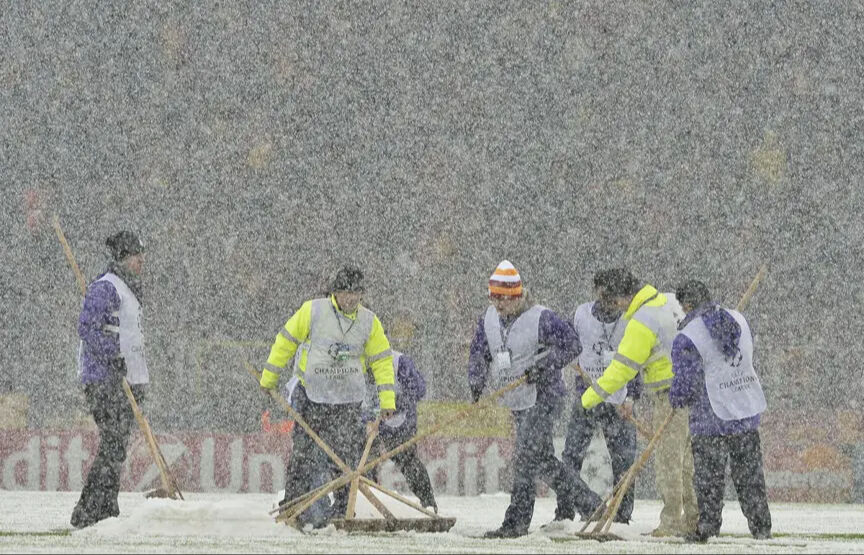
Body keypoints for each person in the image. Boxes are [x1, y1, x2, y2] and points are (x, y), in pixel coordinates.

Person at [468, 260, 600, 538]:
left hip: (545, 396)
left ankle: (515, 522)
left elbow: (571, 345)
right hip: (517, 399)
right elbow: (480, 352)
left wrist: (543, 367)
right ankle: (590, 504)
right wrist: (476, 383)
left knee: (526, 457)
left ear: (517, 296)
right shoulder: (488, 319)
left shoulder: (542, 317)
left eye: (503, 299)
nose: (498, 304)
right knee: (541, 460)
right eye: (494, 298)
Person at [258, 265, 396, 524]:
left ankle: (344, 509)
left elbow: (381, 360)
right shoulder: (313, 311)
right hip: (312, 396)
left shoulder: (369, 321)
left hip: (347, 400)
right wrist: (269, 377)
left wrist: (387, 400)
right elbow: (286, 341)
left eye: (356, 293)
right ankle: (296, 505)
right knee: (305, 454)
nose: (351, 299)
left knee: (347, 458)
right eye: (346, 293)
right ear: (335, 292)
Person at [580, 268, 698, 537]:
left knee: (669, 463)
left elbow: (620, 371)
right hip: (696, 392)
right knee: (689, 463)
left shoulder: (642, 321)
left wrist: (587, 399)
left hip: (671, 395)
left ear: (621, 297)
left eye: (612, 300)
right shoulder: (670, 300)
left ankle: (670, 524)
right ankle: (694, 519)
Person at [670, 280, 772, 543]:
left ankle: (708, 527)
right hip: (745, 410)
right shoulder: (739, 319)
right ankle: (761, 527)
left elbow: (687, 381)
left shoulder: (687, 335)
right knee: (750, 476)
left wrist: (676, 398)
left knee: (708, 480)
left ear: (687, 304)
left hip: (710, 418)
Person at [71, 231, 148, 528]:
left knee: (116, 444)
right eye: (135, 254)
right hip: (104, 379)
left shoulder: (130, 289)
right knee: (113, 442)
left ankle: (104, 506)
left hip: (126, 380)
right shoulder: (106, 287)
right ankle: (89, 509)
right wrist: (112, 356)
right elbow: (88, 329)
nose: (141, 260)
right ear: (122, 257)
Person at [562, 269, 642, 524]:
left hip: (619, 402)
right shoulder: (580, 314)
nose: (610, 302)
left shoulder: (631, 320)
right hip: (587, 397)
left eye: (615, 297)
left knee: (624, 462)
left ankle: (622, 515)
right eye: (606, 295)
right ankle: (564, 512)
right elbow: (564, 345)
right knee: (571, 457)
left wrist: (632, 398)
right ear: (597, 291)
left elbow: (637, 361)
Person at [363, 349, 437, 512]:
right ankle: (366, 504)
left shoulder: (400, 362)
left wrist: (394, 406)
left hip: (400, 421)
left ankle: (428, 503)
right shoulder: (358, 362)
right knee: (363, 462)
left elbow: (418, 390)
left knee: (407, 460)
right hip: (370, 421)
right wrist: (366, 417)